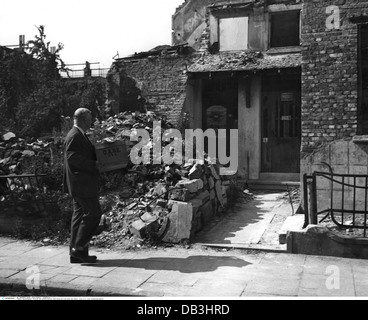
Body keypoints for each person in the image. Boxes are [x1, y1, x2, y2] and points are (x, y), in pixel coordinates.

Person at [63, 108, 102, 264]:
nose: (91, 122)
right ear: (84, 120)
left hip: (79, 184)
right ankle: (79, 249)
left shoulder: (78, 135)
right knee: (94, 213)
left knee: (79, 217)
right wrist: (95, 164)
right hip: (81, 184)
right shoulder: (75, 136)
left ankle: (76, 252)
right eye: (90, 119)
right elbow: (73, 159)